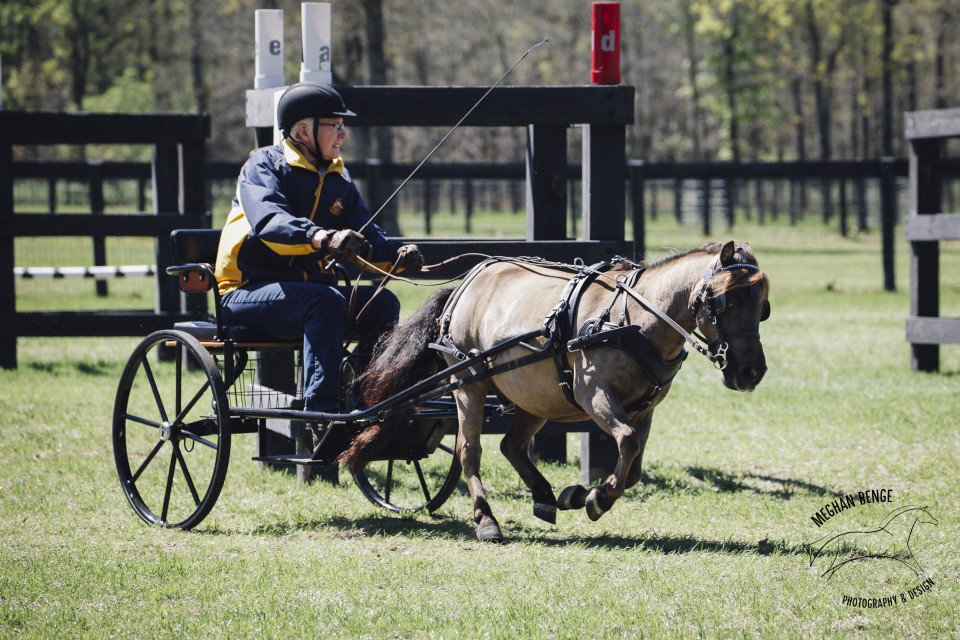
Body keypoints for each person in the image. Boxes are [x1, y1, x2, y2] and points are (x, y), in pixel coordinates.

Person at [214, 82, 423, 414]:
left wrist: (398, 254)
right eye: (335, 126)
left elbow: (367, 233)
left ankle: (362, 395)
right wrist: (324, 237)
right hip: (245, 292)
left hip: (309, 294)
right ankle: (322, 410)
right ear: (304, 131)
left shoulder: (338, 177)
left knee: (382, 303)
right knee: (324, 301)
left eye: (343, 127)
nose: (343, 135)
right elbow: (270, 222)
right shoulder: (263, 166)